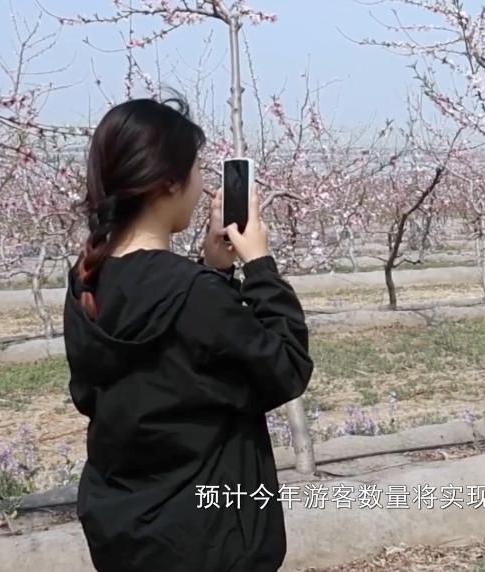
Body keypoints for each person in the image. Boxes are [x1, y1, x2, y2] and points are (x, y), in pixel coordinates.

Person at [63, 96, 314, 572]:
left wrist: (214, 271)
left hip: (125, 531)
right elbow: (285, 367)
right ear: (169, 183)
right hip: (208, 539)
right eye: (197, 169)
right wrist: (260, 266)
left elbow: (165, 375)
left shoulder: (85, 281)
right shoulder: (193, 294)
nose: (202, 185)